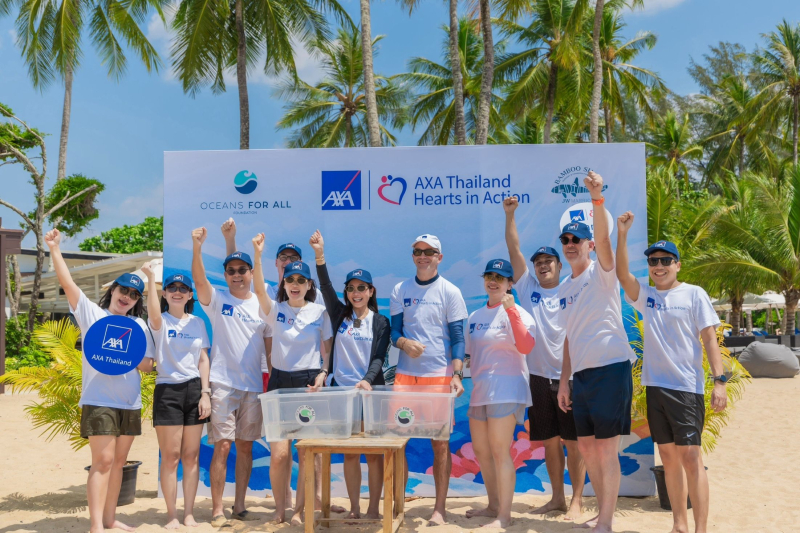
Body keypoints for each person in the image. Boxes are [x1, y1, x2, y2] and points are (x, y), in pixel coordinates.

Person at [616, 214, 727, 533]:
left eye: (666, 260)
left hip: (687, 389)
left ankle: (700, 529)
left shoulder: (694, 294)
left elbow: (710, 338)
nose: (659, 265)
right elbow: (622, 274)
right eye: (653, 261)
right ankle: (679, 525)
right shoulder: (647, 296)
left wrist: (719, 381)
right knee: (668, 457)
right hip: (655, 388)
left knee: (691, 457)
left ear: (677, 264)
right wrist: (622, 234)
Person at [45, 228, 154, 533]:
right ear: (113, 290)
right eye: (123, 290)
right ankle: (96, 526)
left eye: (134, 294)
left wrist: (135, 357)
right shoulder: (92, 314)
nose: (127, 297)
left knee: (119, 463)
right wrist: (55, 248)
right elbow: (68, 283)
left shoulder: (139, 325)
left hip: (129, 402)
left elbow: (147, 366)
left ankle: (110, 519)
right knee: (102, 462)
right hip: (99, 400)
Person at [556, 171, 636, 533]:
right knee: (587, 450)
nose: (571, 244)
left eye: (577, 239)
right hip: (582, 376)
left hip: (611, 368)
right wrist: (564, 381)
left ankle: (605, 521)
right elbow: (569, 338)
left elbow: (605, 239)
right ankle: (602, 514)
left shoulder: (601, 273)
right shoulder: (563, 288)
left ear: (588, 245)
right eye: (566, 239)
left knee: (605, 450)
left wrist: (597, 196)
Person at [503, 197, 587, 519]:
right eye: (538, 262)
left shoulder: (571, 287)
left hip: (570, 377)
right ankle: (557, 499)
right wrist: (510, 215)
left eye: (549, 260)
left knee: (574, 443)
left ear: (559, 265)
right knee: (550, 443)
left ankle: (577, 500)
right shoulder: (527, 288)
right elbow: (514, 249)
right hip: (537, 378)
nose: (542, 265)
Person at [251, 233, 334, 526]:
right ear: (283, 284)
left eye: (301, 280)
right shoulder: (275, 310)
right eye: (290, 280)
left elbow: (328, 349)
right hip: (279, 384)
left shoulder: (320, 312)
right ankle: (280, 509)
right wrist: (257, 254)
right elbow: (258, 289)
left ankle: (299, 510)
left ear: (309, 285)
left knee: (308, 453)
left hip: (308, 384)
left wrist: (324, 372)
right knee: (279, 454)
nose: (295, 284)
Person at [308, 229, 390, 520]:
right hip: (341, 394)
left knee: (374, 455)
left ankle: (373, 508)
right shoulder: (339, 314)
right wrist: (320, 255)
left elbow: (379, 357)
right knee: (351, 454)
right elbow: (325, 285)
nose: (356, 293)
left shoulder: (381, 322)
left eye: (361, 288)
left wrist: (367, 380)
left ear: (371, 291)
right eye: (351, 288)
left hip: (370, 394)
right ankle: (355, 508)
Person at [191, 227, 270, 527]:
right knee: (223, 446)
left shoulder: (263, 305)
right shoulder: (218, 300)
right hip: (222, 384)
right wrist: (197, 247)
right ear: (225, 275)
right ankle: (217, 510)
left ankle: (239, 506)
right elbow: (200, 281)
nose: (237, 275)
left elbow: (270, 349)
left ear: (251, 273)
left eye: (242, 270)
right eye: (231, 271)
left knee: (246, 447)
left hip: (253, 387)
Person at [389, 234, 468, 526]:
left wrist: (457, 375)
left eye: (429, 251)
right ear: (413, 256)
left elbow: (458, 339)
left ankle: (439, 509)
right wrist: (403, 344)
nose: (422, 256)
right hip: (405, 377)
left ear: (439, 257)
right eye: (417, 251)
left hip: (438, 377)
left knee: (440, 445)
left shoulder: (450, 291)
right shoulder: (400, 289)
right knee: (398, 443)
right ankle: (398, 505)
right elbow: (394, 332)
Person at [464, 259, 535, 528]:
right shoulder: (475, 316)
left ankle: (504, 516)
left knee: (499, 451)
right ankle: (493, 505)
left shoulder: (519, 313)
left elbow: (526, 346)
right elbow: (469, 355)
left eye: (499, 277)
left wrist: (511, 311)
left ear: (509, 283)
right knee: (481, 450)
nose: (493, 281)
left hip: (507, 389)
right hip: (480, 391)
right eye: (489, 276)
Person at [141, 263, 211, 529]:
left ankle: (189, 513)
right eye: (172, 288)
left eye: (183, 288)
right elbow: (152, 312)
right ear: (165, 294)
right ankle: (172, 515)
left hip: (195, 391)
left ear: (190, 294)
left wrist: (205, 393)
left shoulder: (198, 323)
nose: (178, 292)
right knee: (170, 457)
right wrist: (151, 279)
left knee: (191, 456)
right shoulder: (159, 322)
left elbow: (203, 360)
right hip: (167, 391)